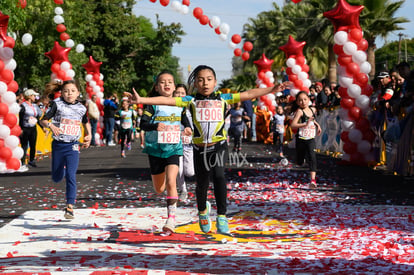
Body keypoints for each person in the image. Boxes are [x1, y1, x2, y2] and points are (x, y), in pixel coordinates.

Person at [129, 65, 289, 235]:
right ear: (195, 84)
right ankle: (203, 211)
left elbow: (248, 94)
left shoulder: (223, 98)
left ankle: (221, 216)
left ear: (215, 82)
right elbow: (165, 100)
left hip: (218, 145)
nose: (205, 83)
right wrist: (141, 101)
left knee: (219, 177)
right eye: (200, 80)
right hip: (200, 148)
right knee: (202, 184)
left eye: (209, 79)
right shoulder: (189, 100)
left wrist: (273, 89)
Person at [136, 71, 192, 233]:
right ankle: (170, 214)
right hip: (155, 149)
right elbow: (143, 125)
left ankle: (171, 219)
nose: (166, 84)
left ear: (174, 86)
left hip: (174, 148)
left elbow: (185, 121)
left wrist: (187, 128)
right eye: (162, 82)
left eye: (170, 82)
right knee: (159, 188)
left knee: (171, 182)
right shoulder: (152, 105)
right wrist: (155, 126)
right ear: (156, 87)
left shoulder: (179, 104)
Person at [39, 80, 91, 219]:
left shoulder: (81, 108)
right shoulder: (57, 104)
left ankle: (70, 207)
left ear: (78, 93)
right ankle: (59, 171)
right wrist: (50, 126)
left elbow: (85, 122)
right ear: (62, 93)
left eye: (73, 91)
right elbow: (43, 120)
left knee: (71, 174)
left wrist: (89, 135)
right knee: (57, 178)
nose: (69, 94)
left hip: (73, 145)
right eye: (66, 91)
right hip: (58, 145)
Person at [290, 91, 322, 189]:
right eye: (300, 100)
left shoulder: (312, 109)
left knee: (312, 158)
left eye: (305, 99)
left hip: (310, 138)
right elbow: (293, 125)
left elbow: (312, 119)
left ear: (309, 100)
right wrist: (305, 124)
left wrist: (317, 125)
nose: (303, 102)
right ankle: (301, 159)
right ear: (297, 102)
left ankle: (313, 180)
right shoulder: (299, 111)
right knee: (299, 161)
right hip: (301, 138)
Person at [173, 84, 194, 202]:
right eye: (177, 93)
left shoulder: (192, 108)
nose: (180, 95)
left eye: (182, 93)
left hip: (190, 144)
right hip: (176, 143)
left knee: (189, 172)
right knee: (179, 170)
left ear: (186, 95)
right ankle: (183, 190)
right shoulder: (173, 109)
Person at [19, 89, 43, 169]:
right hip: (25, 128)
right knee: (24, 146)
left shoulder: (35, 106)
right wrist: (21, 129)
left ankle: (31, 160)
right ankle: (22, 162)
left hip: (33, 128)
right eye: (33, 96)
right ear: (29, 96)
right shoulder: (23, 106)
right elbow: (20, 118)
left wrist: (43, 128)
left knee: (33, 145)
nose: (35, 97)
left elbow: (38, 118)